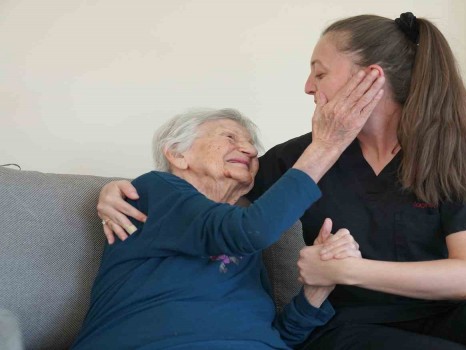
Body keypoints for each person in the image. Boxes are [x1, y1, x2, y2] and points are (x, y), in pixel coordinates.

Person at [96, 13, 466, 350]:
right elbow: (221, 204)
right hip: (350, 327)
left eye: (319, 72)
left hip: (443, 310)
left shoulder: (456, 150)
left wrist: (342, 271)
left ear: (371, 78)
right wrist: (116, 188)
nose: (307, 86)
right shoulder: (300, 158)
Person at [73, 68, 385, 350]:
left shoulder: (241, 232)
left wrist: (316, 290)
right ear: (178, 155)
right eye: (230, 138)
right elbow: (252, 230)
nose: (249, 150)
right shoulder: (155, 190)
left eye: (252, 145)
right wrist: (326, 145)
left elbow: (277, 336)